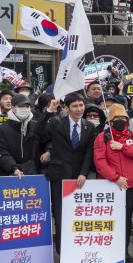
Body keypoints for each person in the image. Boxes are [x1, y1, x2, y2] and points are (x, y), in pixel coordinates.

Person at [40, 93, 96, 254]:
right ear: (67, 108)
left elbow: (89, 153)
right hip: (59, 175)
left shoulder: (89, 126)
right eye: (75, 106)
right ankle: (63, 250)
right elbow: (39, 132)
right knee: (60, 213)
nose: (79, 109)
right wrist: (49, 111)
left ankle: (77, 247)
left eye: (81, 105)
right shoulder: (56, 123)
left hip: (79, 176)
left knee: (78, 213)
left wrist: (84, 173)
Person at [94, 104, 133, 263]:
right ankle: (109, 250)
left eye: (123, 119)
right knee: (110, 219)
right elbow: (100, 162)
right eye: (116, 119)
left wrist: (123, 147)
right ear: (110, 121)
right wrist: (115, 177)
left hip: (129, 185)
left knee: (125, 219)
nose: (120, 121)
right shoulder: (102, 137)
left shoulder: (131, 134)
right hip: (111, 185)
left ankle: (123, 251)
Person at [0, 94, 41, 178]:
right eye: (21, 106)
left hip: (34, 174)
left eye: (27, 106)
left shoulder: (35, 126)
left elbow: (45, 142)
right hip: (9, 175)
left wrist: (48, 150)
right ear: (13, 107)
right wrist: (13, 168)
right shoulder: (2, 130)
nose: (25, 109)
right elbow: (0, 151)